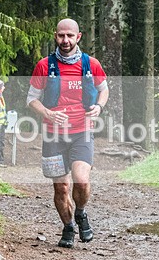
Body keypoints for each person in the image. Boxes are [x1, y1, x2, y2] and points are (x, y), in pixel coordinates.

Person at [26, 18, 109, 248]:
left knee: (81, 181)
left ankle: (81, 212)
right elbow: (31, 99)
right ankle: (68, 227)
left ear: (78, 37)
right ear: (55, 36)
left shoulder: (91, 64)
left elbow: (104, 90)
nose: (65, 40)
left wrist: (99, 107)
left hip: (81, 131)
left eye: (70, 36)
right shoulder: (44, 66)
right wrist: (48, 114)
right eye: (61, 36)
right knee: (61, 187)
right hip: (53, 134)